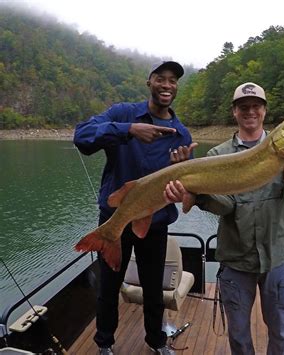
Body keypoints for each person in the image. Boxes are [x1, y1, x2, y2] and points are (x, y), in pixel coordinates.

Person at [164, 82, 284, 354]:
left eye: (256, 106)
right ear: (235, 112)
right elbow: (225, 207)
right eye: (243, 107)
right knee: (238, 336)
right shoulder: (218, 155)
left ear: (264, 111)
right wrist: (196, 192)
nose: (250, 111)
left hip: (276, 259)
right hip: (236, 262)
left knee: (281, 334)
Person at [74, 61, 196, 355]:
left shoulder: (182, 135)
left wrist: (180, 176)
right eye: (161, 79)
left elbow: (182, 191)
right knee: (108, 287)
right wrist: (128, 130)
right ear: (149, 82)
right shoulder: (123, 114)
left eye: (173, 81)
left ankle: (156, 341)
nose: (167, 85)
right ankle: (105, 344)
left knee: (154, 288)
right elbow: (82, 137)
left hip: (154, 223)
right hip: (115, 219)